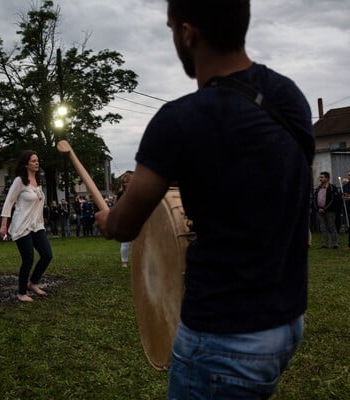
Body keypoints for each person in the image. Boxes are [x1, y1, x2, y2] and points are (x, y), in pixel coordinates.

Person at [95, 1, 314, 398]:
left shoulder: (179, 121)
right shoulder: (289, 97)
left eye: (171, 29)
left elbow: (125, 225)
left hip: (223, 338)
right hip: (286, 322)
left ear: (188, 33)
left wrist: (107, 220)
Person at [0, 150, 53, 303]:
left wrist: (41, 220)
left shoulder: (38, 181)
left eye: (37, 160)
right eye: (34, 161)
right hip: (21, 226)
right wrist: (4, 225)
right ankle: (21, 293)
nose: (37, 163)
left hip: (37, 225)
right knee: (28, 259)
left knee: (47, 255)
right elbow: (8, 202)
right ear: (26, 164)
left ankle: (33, 283)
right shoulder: (19, 181)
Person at [312, 171, 341, 249]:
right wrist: (318, 209)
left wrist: (325, 208)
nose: (320, 178)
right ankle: (325, 244)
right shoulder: (318, 188)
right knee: (323, 228)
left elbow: (333, 200)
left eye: (322, 177)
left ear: (327, 178)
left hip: (330, 211)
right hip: (319, 211)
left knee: (331, 226)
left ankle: (335, 243)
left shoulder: (332, 188)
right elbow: (314, 199)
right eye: (320, 177)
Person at [116, 172, 133, 268]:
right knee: (125, 242)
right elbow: (117, 206)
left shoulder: (137, 191)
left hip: (136, 218)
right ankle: (124, 261)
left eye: (129, 182)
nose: (127, 184)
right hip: (125, 218)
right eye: (125, 183)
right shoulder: (120, 193)